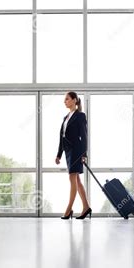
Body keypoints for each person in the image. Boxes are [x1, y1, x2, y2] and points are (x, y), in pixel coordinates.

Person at [55, 91, 92, 220]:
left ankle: (68, 210)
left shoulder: (81, 116)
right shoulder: (65, 117)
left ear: (74, 100)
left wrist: (84, 154)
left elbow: (84, 136)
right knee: (77, 180)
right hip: (68, 152)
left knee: (72, 178)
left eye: (67, 99)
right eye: (64, 99)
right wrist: (59, 154)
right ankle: (86, 207)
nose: (64, 101)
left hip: (76, 151)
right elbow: (62, 137)